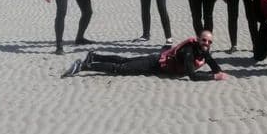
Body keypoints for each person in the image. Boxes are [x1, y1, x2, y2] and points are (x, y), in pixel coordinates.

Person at [61, 31, 229, 81]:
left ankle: (94, 55)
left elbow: (214, 65)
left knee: (125, 60)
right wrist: (214, 77)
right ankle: (85, 65)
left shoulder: (204, 51)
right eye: (204, 40)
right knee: (121, 68)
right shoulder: (189, 52)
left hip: (157, 59)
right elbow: (192, 75)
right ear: (198, 39)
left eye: (209, 42)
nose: (206, 44)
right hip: (155, 63)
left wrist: (217, 71)